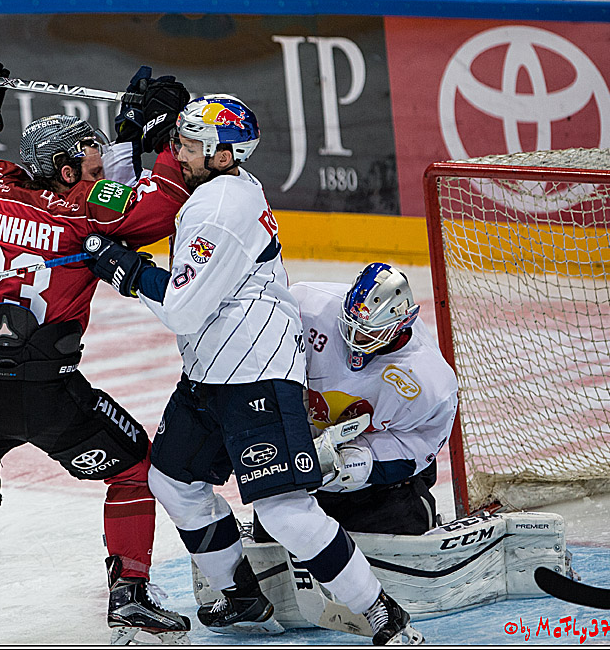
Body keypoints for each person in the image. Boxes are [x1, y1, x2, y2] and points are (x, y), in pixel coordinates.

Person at [0, 52, 193, 646]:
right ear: (69, 170)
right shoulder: (87, 217)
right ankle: (129, 594)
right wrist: (169, 141)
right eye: (93, 154)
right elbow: (161, 202)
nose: (103, 163)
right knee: (133, 468)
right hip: (48, 394)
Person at [83, 95, 423, 644]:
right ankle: (241, 593)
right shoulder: (214, 191)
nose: (179, 152)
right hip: (210, 375)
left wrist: (125, 270)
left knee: (284, 507)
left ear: (223, 155)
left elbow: (180, 307)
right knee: (171, 480)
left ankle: (382, 613)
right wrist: (125, 148)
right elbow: (131, 212)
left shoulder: (221, 207)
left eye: (191, 145)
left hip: (255, 375)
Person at [289, 264, 459, 536]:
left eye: (369, 333)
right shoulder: (305, 307)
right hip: (299, 466)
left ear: (400, 326)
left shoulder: (430, 381)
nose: (355, 339)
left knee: (402, 535)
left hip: (377, 489)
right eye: (351, 325)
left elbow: (420, 445)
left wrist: (357, 461)